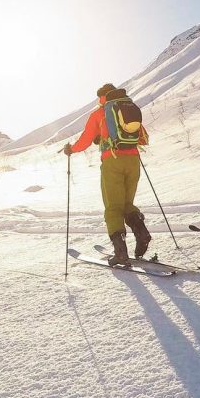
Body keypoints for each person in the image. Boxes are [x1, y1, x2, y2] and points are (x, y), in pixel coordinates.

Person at [63, 83, 151, 265]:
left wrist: (71, 149)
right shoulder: (129, 107)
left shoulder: (100, 112)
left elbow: (85, 139)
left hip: (112, 162)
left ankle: (120, 252)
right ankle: (141, 231)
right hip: (134, 160)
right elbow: (143, 137)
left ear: (102, 96)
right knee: (127, 203)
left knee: (113, 207)